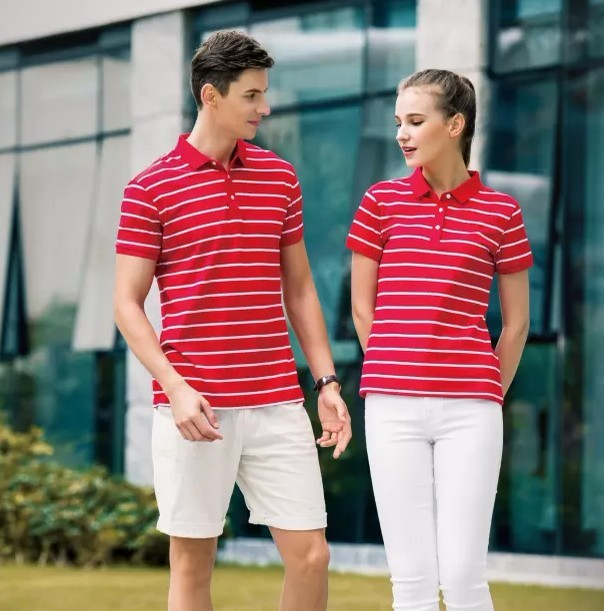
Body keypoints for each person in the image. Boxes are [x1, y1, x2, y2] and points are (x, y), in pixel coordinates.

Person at [113, 30, 352, 611]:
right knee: (192, 569)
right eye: (251, 95)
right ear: (210, 95)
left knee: (311, 556)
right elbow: (126, 303)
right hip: (196, 406)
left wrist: (326, 382)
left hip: (276, 399)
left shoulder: (279, 177)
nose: (264, 108)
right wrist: (175, 387)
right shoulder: (149, 188)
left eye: (264, 93)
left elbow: (299, 288)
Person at [346, 69, 533, 611]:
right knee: (411, 579)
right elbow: (362, 307)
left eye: (415, 121)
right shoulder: (380, 202)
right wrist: (393, 369)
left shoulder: (502, 212)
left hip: (470, 409)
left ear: (455, 125)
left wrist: (487, 391)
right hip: (391, 407)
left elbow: (516, 323)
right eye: (398, 122)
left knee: (463, 574)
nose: (401, 134)